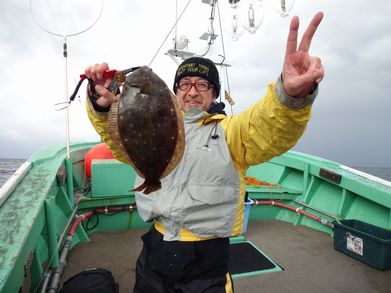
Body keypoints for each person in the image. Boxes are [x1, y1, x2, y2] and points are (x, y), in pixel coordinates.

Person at [84, 11, 324, 293]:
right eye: (185, 84)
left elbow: (269, 127)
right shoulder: (148, 123)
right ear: (174, 92)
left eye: (202, 84)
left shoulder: (231, 133)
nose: (193, 91)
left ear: (213, 95)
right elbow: (118, 140)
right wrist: (101, 106)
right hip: (155, 248)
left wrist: (289, 96)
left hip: (207, 259)